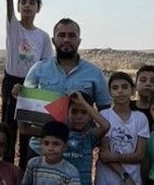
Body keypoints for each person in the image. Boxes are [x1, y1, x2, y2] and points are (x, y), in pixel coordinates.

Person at [18, 18, 110, 167]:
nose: (66, 39)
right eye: (61, 35)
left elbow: (105, 114)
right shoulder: (38, 69)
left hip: (77, 152)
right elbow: (25, 111)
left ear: (79, 41)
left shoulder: (95, 73)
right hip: (41, 151)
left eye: (72, 36)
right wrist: (20, 96)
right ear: (54, 40)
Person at [0, 0, 52, 162]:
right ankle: (6, 167)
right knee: (8, 127)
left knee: (29, 130)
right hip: (11, 82)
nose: (27, 5)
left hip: (32, 88)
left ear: (38, 8)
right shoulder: (13, 27)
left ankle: (26, 170)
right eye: (23, 2)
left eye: (31, 2)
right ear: (18, 8)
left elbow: (45, 66)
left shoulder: (43, 37)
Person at [22, 119, 82, 185]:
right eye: (46, 143)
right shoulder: (33, 164)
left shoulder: (71, 171)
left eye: (56, 144)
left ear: (65, 147)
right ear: (41, 144)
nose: (50, 148)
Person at [63, 92, 111, 185]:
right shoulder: (60, 133)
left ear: (90, 116)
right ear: (67, 112)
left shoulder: (89, 136)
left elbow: (106, 126)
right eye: (74, 112)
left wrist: (84, 102)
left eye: (84, 112)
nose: (79, 117)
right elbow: (25, 129)